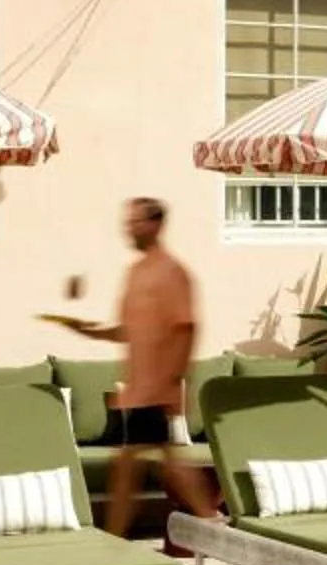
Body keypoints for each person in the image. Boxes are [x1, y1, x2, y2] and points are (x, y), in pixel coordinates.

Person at [45, 196, 216, 540]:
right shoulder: (136, 272)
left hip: (155, 387)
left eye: (136, 223)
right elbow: (127, 330)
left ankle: (119, 538)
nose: (129, 229)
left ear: (155, 224)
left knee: (135, 465)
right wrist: (86, 330)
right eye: (128, 223)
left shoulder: (172, 273)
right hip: (138, 388)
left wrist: (174, 381)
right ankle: (209, 520)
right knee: (153, 463)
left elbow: (186, 328)